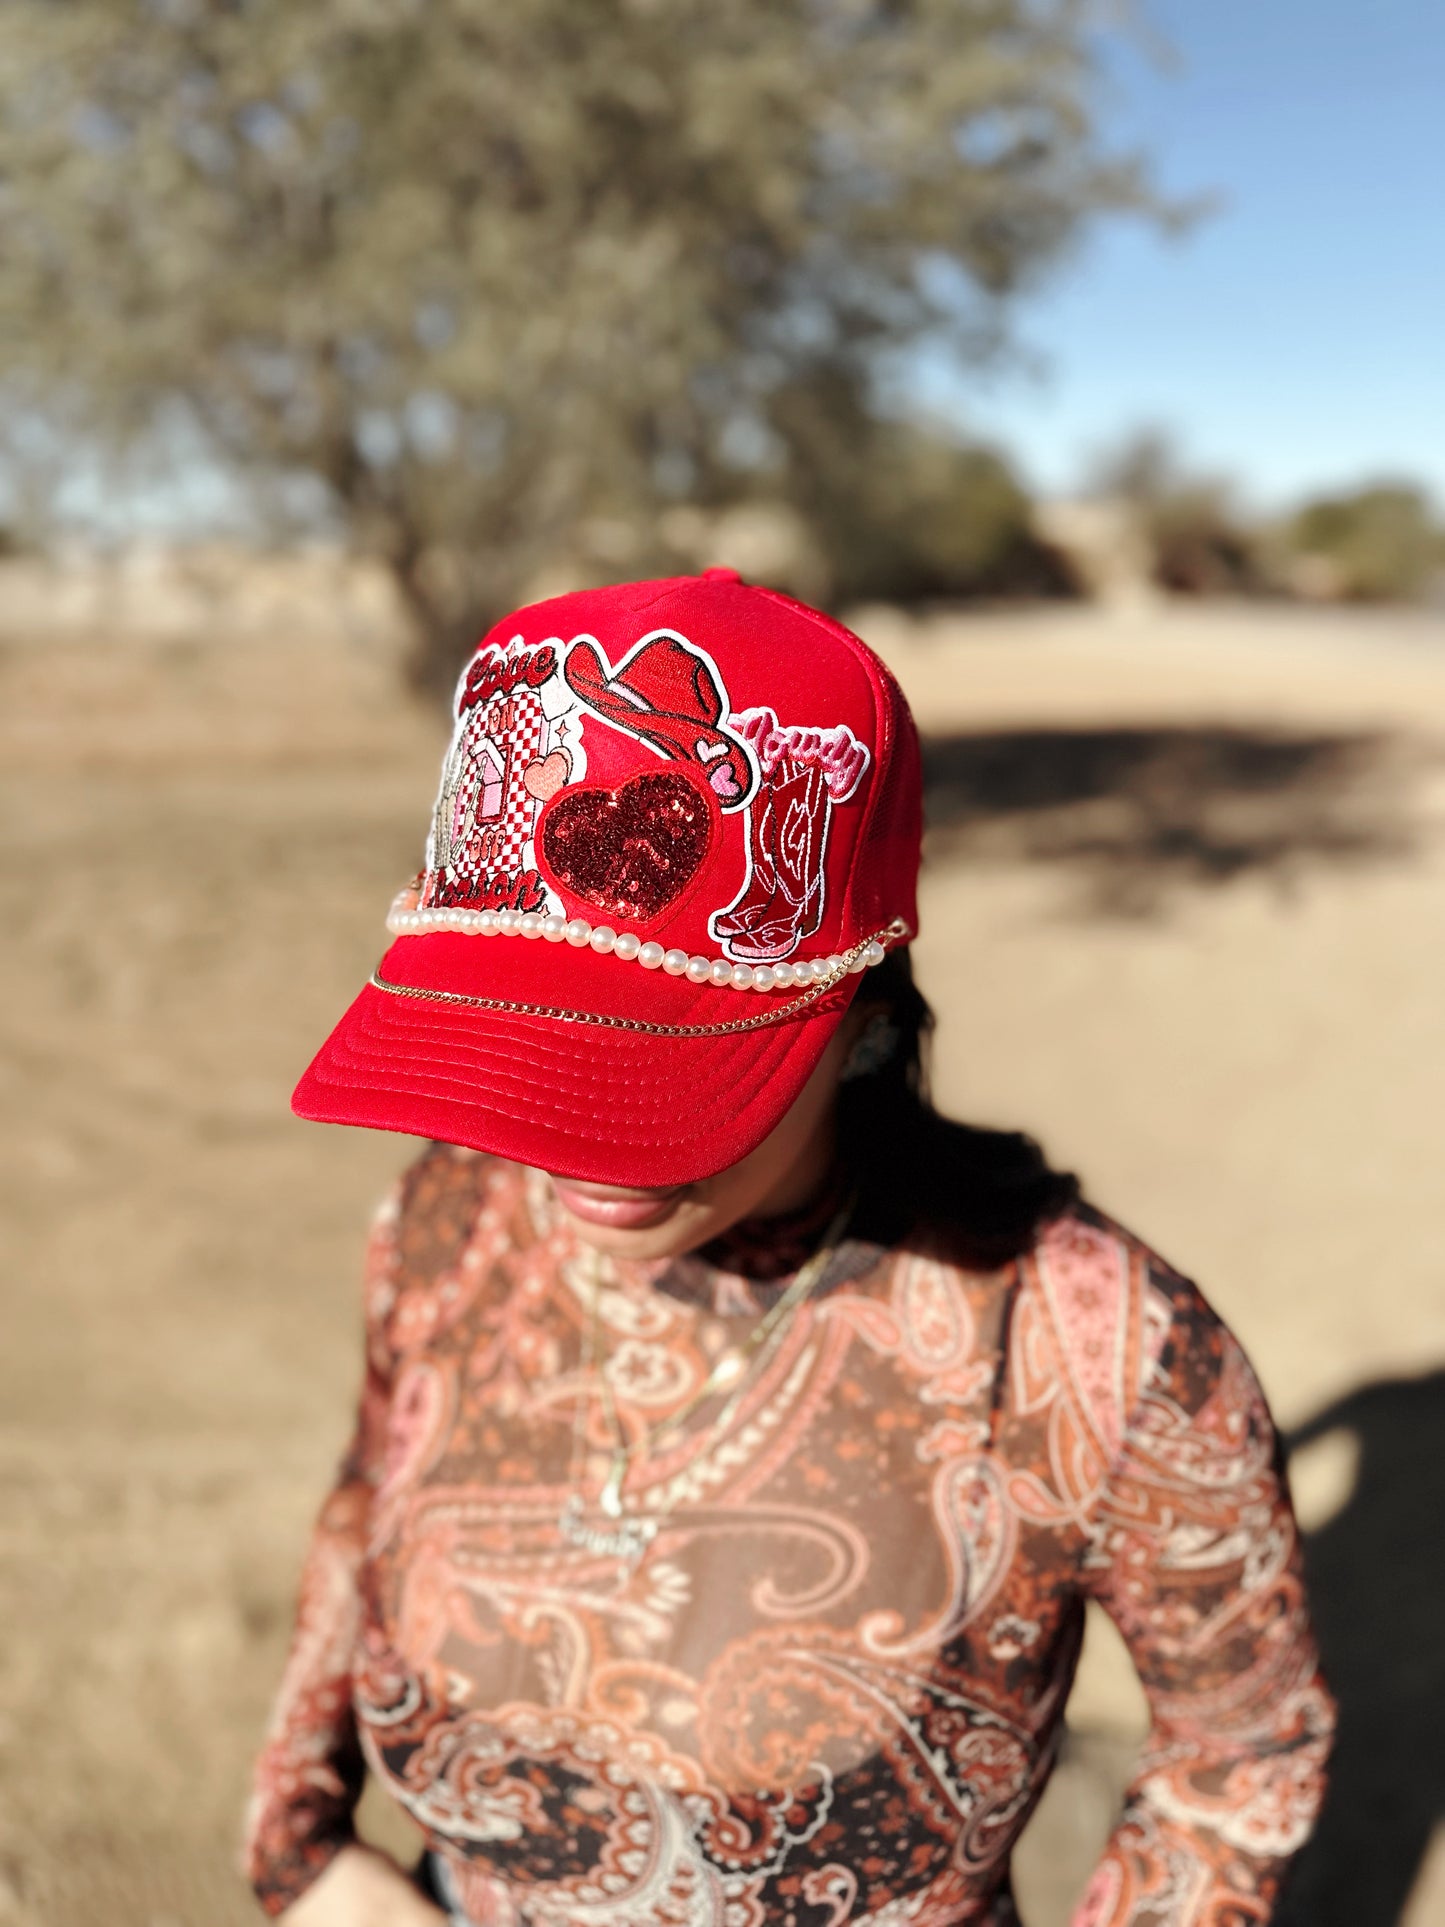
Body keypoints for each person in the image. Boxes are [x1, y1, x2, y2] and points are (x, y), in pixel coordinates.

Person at [243, 571, 1335, 1927]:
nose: (571, 1155)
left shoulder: (1095, 1345)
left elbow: (1235, 1762)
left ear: (863, 1018)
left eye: (653, 1074)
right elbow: (363, 1503)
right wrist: (305, 1857)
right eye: (521, 1051)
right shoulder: (443, 1220)